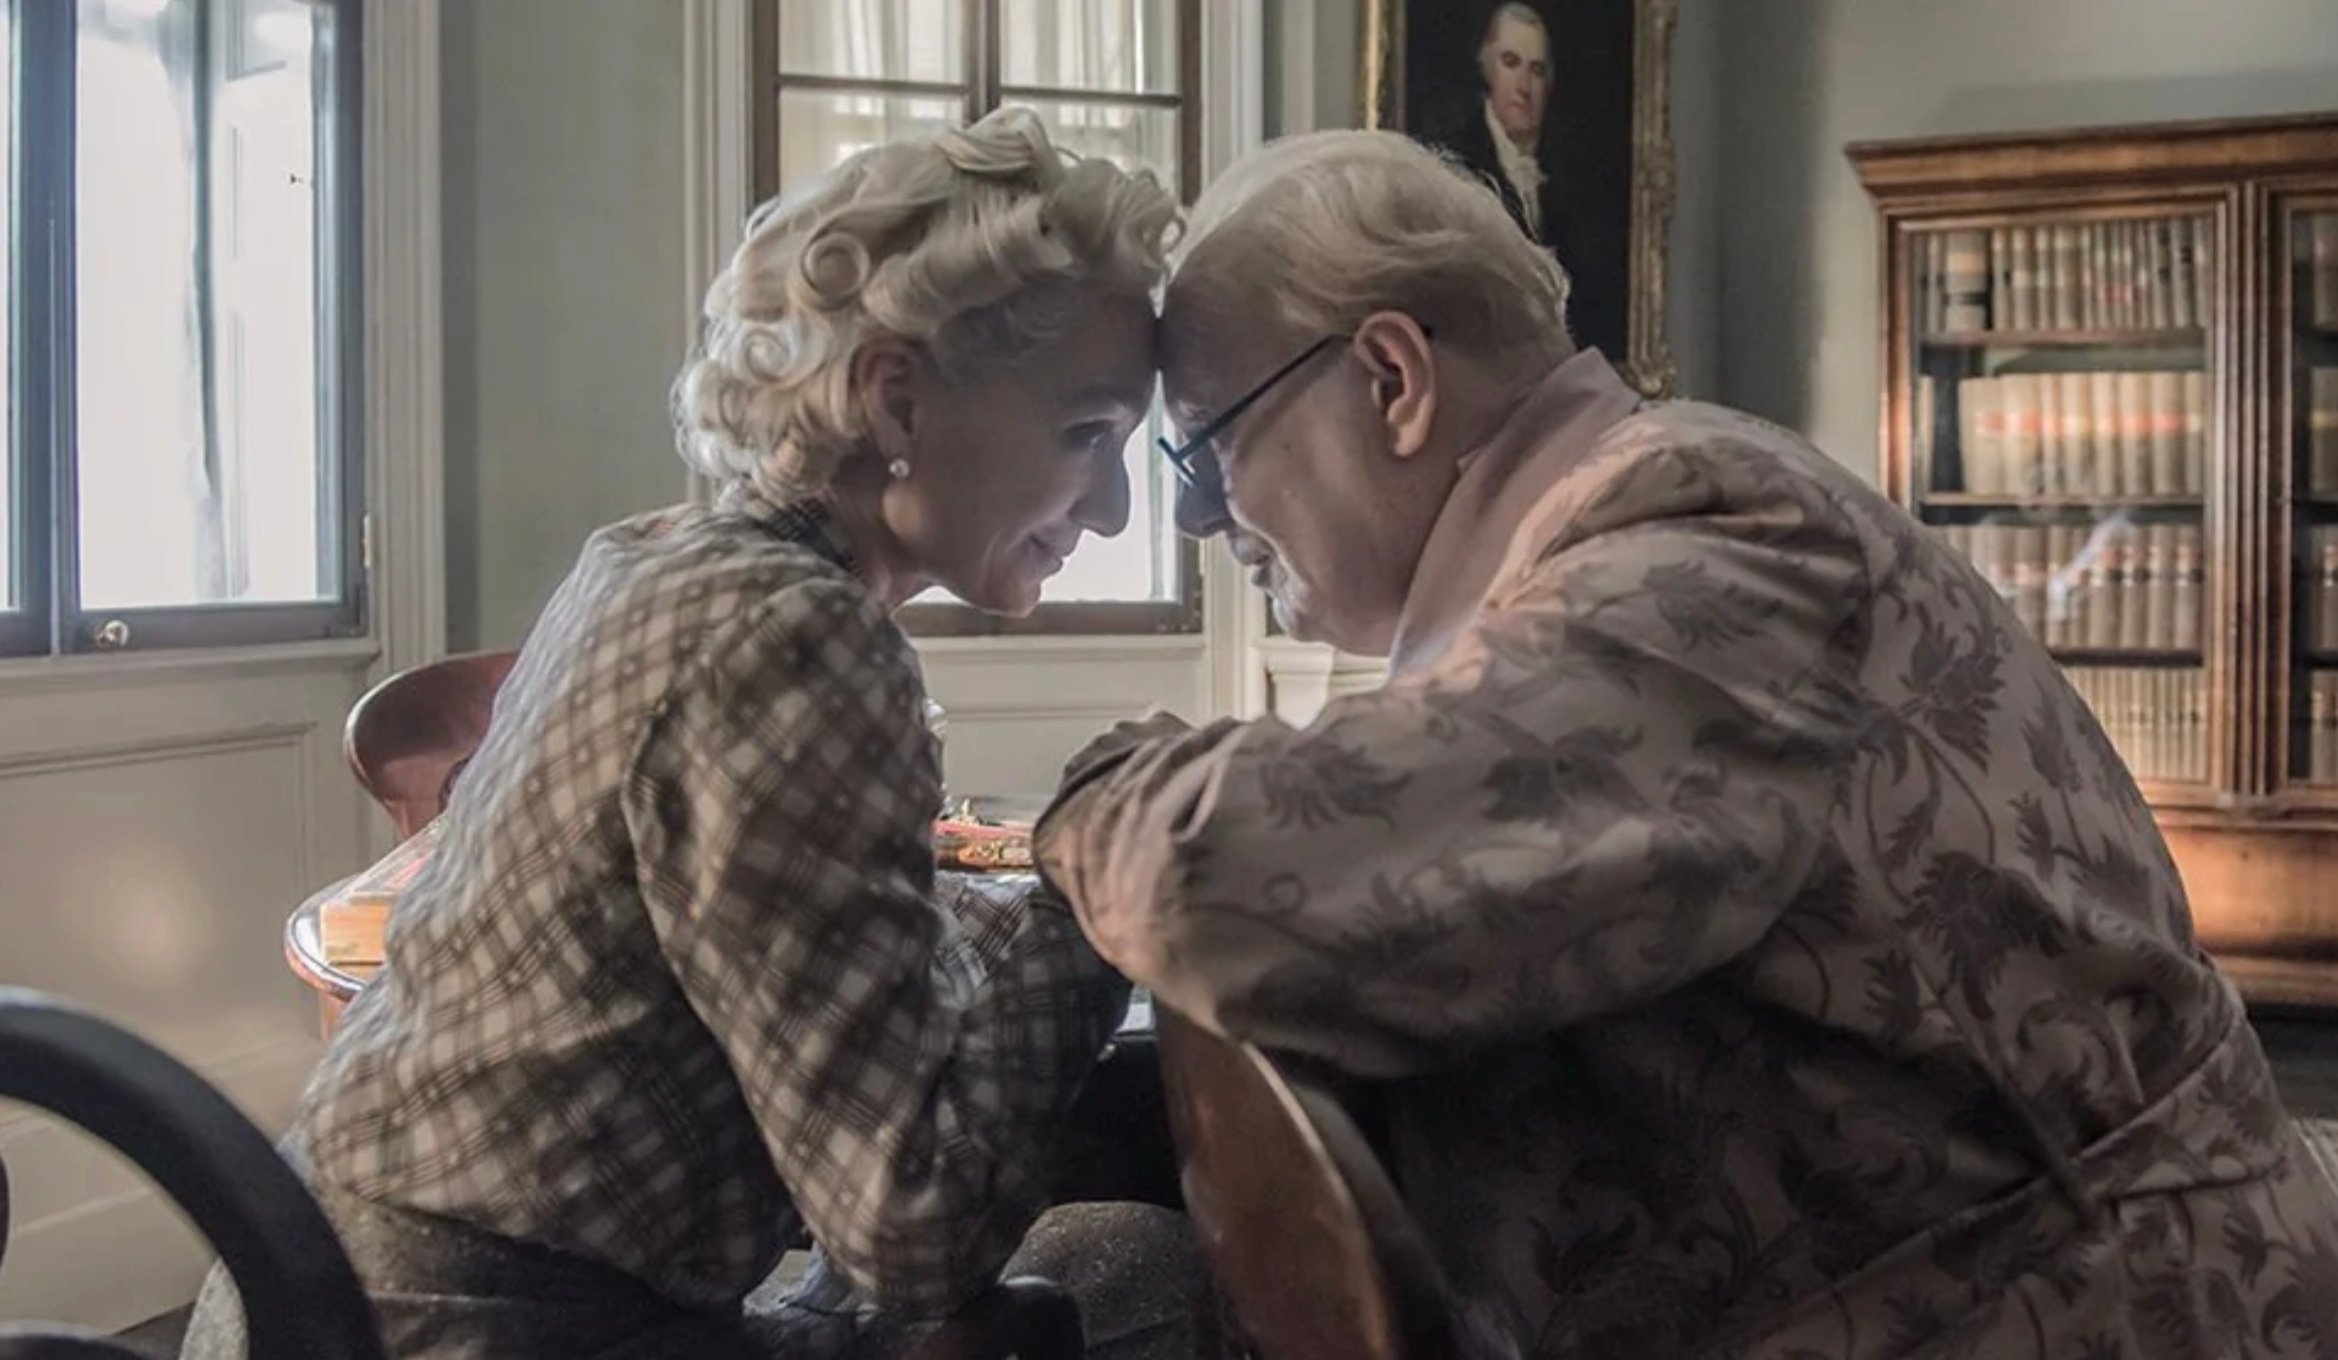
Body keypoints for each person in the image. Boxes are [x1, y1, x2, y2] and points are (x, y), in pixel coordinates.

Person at [1035, 129, 2338, 1358]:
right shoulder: (1600, 541)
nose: (1194, 520)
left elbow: (1227, 887)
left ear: (1392, 379)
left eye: (1202, 448)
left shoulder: (1695, 518)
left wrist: (1102, 784)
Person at [182, 109, 1208, 1360]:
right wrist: (1100, 873)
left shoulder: (648, 559)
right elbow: (916, 1227)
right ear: (897, 398)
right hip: (458, 1336)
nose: (1112, 510)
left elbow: (792, 950)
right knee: (1135, 1268)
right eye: (1087, 433)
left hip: (295, 1288)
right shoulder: (796, 636)